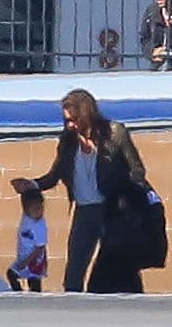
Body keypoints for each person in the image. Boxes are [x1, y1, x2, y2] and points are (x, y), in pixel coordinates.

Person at [10, 89, 149, 293]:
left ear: (86, 114)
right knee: (74, 268)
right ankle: (72, 311)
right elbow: (55, 175)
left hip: (111, 209)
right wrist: (31, 184)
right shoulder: (68, 141)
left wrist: (124, 196)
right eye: (66, 120)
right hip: (84, 211)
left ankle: (129, 304)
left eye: (74, 119)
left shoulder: (114, 133)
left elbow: (137, 170)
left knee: (118, 264)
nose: (70, 125)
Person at [6, 189, 48, 292]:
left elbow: (40, 248)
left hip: (34, 260)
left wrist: (26, 261)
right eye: (35, 209)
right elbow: (28, 191)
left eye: (41, 208)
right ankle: (19, 294)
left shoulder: (39, 225)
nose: (39, 212)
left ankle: (33, 300)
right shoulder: (27, 218)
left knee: (31, 280)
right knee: (12, 274)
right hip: (23, 257)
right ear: (26, 209)